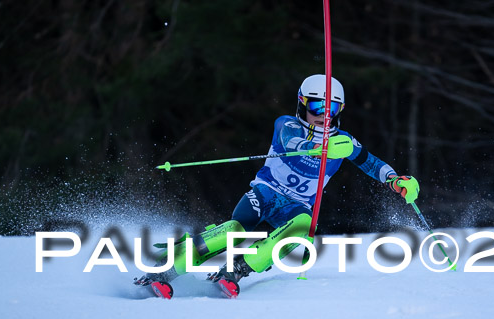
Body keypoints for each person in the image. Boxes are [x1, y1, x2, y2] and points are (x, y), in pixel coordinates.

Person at [135, 74, 419, 298]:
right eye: (317, 105)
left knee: (302, 229)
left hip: (296, 207)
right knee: (234, 231)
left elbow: (369, 161)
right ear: (302, 104)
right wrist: (320, 147)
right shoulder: (287, 125)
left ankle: (234, 271)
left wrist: (395, 179)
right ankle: (165, 271)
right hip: (266, 193)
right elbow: (294, 143)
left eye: (332, 107)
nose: (325, 114)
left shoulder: (344, 142)